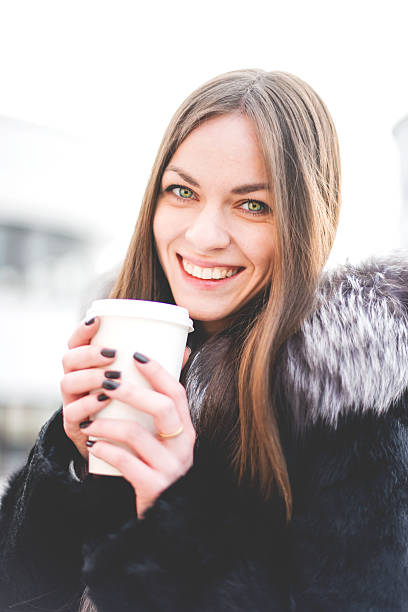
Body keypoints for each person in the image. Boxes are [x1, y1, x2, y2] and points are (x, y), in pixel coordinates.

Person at [1, 68, 408, 612]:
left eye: (253, 205)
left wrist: (178, 511)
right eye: (183, 192)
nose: (204, 235)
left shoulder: (356, 415)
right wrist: (70, 463)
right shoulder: (127, 351)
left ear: (307, 220)